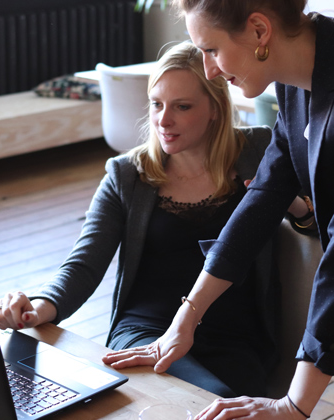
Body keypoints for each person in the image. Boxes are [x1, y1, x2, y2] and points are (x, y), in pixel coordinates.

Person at [0, 41, 306, 398]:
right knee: (201, 398)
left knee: (216, 400)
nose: (163, 120)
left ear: (215, 109)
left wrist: (290, 204)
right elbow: (84, 264)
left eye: (182, 106)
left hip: (236, 338)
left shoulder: (259, 151)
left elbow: (313, 224)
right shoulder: (127, 174)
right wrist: (37, 308)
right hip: (145, 331)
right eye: (156, 104)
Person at [102, 1, 333, 419]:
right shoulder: (296, 83)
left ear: (260, 31)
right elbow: (262, 198)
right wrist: (184, 320)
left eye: (210, 50)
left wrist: (294, 406)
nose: (208, 70)